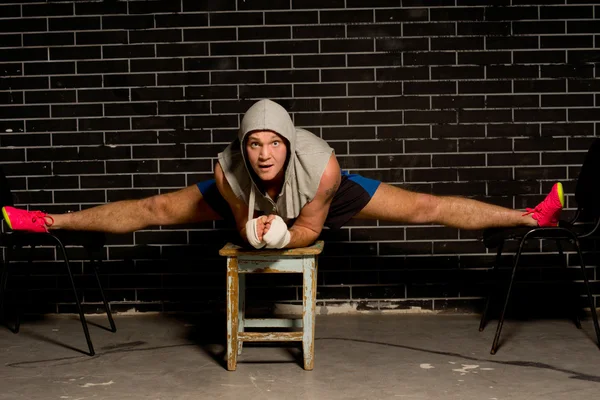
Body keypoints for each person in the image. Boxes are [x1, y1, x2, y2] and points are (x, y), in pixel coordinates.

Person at [2, 99, 564, 249]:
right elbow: (248, 230)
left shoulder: (323, 169)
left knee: (424, 207)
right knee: (153, 211)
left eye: (274, 143)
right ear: (242, 148)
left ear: (289, 145)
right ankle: (45, 221)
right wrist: (257, 233)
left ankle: (530, 217)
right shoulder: (227, 172)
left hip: (316, 201)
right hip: (251, 210)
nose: (265, 152)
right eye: (255, 143)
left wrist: (286, 234)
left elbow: (311, 229)